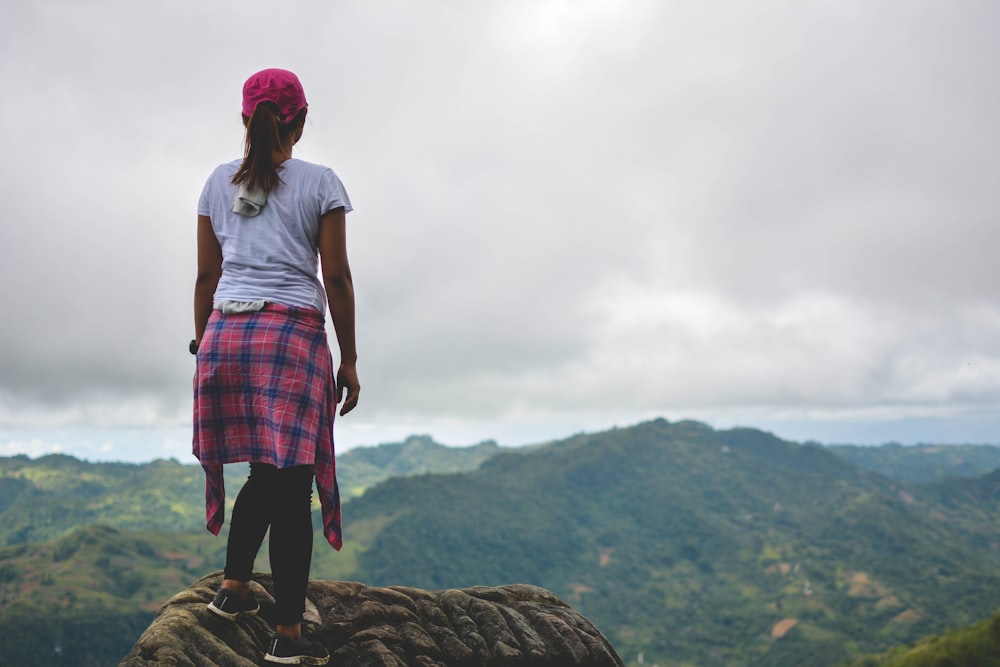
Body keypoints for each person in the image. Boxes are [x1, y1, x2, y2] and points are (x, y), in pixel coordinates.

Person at [191, 68, 359, 666]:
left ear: (244, 119)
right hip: (288, 338)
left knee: (267, 474)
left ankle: (234, 591)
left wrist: (200, 342)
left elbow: (207, 277)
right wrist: (351, 360)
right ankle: (288, 637)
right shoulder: (321, 183)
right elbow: (334, 277)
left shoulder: (216, 182)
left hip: (226, 336)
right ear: (302, 120)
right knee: (292, 489)